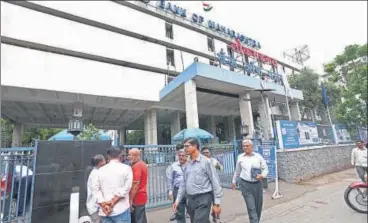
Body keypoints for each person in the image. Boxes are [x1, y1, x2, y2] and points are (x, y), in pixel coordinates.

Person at [173, 137, 222, 223]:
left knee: (198, 221)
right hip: (191, 200)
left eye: (187, 146)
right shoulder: (187, 163)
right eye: (184, 147)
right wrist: (177, 200)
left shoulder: (206, 162)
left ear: (195, 146)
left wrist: (216, 203)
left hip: (204, 198)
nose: (185, 149)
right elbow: (183, 184)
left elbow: (215, 182)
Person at [231, 139, 268, 223]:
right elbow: (237, 171)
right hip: (245, 185)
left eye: (247, 146)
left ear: (251, 146)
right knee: (251, 207)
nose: (245, 147)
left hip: (257, 184)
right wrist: (234, 181)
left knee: (258, 206)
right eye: (244, 146)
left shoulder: (258, 156)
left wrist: (262, 175)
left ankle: (255, 221)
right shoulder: (240, 157)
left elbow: (265, 169)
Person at [92, 148, 133, 223]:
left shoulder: (100, 170)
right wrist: (112, 202)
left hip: (105, 211)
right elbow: (127, 188)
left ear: (108, 157)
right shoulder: (126, 168)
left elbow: (95, 189)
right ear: (121, 156)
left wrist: (104, 205)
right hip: (121, 209)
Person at [201, 147, 223, 223]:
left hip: (215, 186)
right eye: (204, 153)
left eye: (207, 152)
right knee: (206, 204)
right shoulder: (200, 162)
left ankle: (216, 217)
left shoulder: (214, 161)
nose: (205, 154)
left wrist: (217, 165)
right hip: (205, 187)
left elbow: (221, 168)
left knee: (216, 202)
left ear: (210, 153)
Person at [128, 148, 148, 223]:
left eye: (130, 155)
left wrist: (131, 200)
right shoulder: (142, 164)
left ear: (136, 156)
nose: (128, 157)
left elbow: (136, 184)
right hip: (141, 196)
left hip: (137, 197)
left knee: (137, 219)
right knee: (141, 218)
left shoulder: (137, 166)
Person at [167, 149, 188, 223]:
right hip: (177, 190)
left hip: (189, 191)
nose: (181, 157)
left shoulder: (191, 165)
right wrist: (170, 191)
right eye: (179, 155)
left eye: (183, 156)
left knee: (192, 211)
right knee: (179, 213)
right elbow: (170, 179)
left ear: (187, 156)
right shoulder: (174, 166)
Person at [86, 154, 106, 223]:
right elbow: (96, 191)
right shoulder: (96, 174)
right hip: (95, 208)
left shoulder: (96, 172)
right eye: (104, 161)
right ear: (101, 163)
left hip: (95, 207)